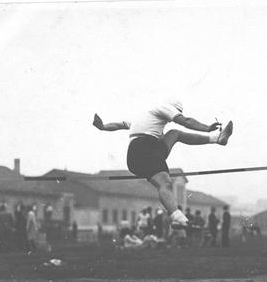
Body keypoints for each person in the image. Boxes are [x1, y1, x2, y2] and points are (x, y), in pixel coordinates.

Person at [93, 98, 233, 229]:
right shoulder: (164, 108)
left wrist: (103, 127)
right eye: (177, 114)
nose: (171, 120)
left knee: (164, 183)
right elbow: (187, 121)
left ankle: (177, 217)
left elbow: (120, 124)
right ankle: (216, 138)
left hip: (135, 158)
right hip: (145, 149)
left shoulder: (145, 119)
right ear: (174, 110)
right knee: (175, 134)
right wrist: (206, 127)